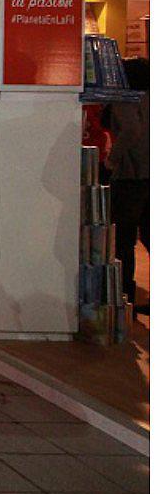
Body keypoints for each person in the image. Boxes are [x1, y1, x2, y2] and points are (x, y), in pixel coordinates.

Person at [104, 57, 149, 314]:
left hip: (131, 176)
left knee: (124, 239)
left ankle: (124, 296)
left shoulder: (126, 99)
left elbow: (131, 129)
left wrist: (113, 158)